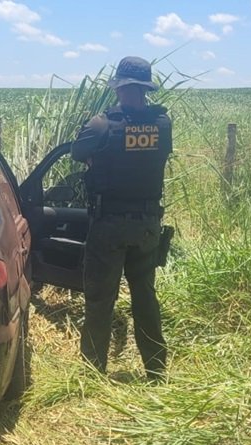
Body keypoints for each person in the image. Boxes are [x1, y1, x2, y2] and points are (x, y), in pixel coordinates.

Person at [71, 56, 172, 381]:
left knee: (100, 299)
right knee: (145, 297)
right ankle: (156, 371)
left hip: (110, 225)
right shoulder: (162, 123)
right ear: (145, 88)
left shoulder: (101, 125)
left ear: (119, 87)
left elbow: (77, 152)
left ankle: (92, 374)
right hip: (148, 224)